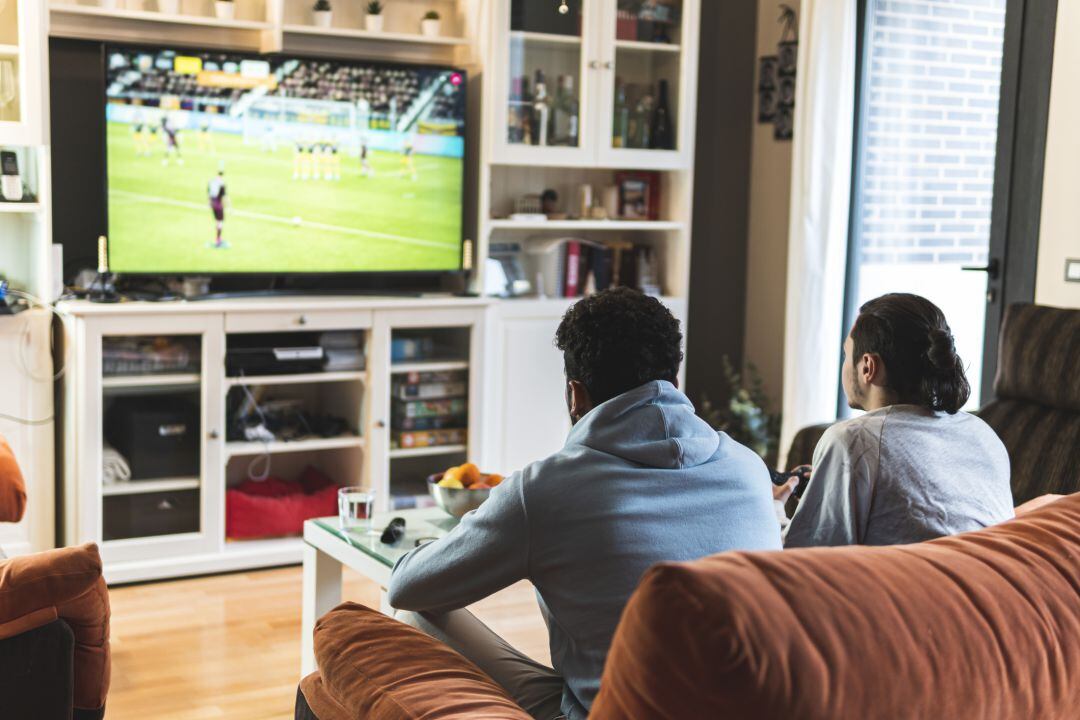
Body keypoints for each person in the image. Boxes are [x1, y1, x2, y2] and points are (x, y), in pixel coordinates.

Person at [388, 287, 781, 720]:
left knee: (419, 615)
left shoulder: (546, 488)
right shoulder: (748, 466)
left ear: (576, 394)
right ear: (674, 382)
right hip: (754, 708)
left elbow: (407, 588)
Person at [776, 292, 1013, 548]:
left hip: (905, 587)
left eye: (847, 354)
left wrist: (773, 510)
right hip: (987, 582)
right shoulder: (984, 434)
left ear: (867, 366)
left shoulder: (853, 440)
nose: (844, 365)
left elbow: (804, 558)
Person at [207, 170, 227, 248]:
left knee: (217, 222)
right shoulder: (221, 185)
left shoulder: (211, 182)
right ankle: (218, 239)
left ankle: (218, 238)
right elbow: (224, 197)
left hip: (213, 205)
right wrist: (228, 207)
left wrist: (209, 204)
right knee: (220, 222)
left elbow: (209, 194)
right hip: (218, 206)